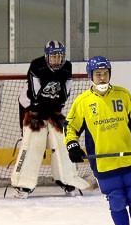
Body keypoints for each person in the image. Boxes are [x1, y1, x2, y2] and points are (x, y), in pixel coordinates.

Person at [64, 56, 131, 225]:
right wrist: (72, 145)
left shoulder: (123, 94)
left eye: (105, 73)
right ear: (90, 77)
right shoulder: (83, 102)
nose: (102, 77)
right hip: (103, 162)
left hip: (129, 158)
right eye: (98, 74)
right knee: (117, 200)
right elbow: (70, 126)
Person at [10, 40, 91, 198]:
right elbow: (35, 94)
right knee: (33, 143)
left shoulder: (67, 67)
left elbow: (65, 93)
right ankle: (23, 184)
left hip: (53, 110)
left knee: (64, 140)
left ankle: (67, 180)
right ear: (47, 56)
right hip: (33, 110)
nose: (56, 60)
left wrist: (56, 111)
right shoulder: (37, 65)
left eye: (59, 56)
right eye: (53, 57)